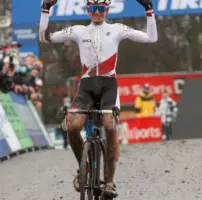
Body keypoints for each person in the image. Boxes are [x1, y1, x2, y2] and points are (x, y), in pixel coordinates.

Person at [39, 0, 158, 197]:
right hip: (86, 88)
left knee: (110, 125)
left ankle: (110, 181)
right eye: (93, 9)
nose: (97, 12)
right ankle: (82, 167)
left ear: (107, 10)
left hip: (108, 87)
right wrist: (45, 10)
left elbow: (151, 38)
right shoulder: (79, 31)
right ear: (87, 10)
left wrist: (149, 10)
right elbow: (45, 38)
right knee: (72, 125)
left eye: (101, 9)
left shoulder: (117, 29)